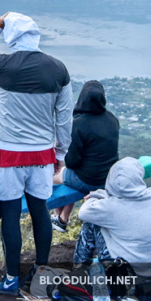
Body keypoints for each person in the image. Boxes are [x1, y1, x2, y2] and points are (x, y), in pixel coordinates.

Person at [0, 12, 73, 295]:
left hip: (8, 157)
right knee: (40, 212)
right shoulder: (58, 70)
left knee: (11, 216)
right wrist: (60, 154)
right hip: (42, 157)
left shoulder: (1, 65)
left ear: (11, 36)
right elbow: (64, 120)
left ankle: (12, 278)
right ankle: (41, 272)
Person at [74, 157, 151, 301]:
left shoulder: (111, 207)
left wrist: (97, 195)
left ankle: (80, 268)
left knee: (91, 223)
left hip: (126, 273)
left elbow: (83, 212)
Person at [51, 80, 120, 232]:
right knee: (68, 175)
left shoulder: (79, 124)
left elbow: (72, 161)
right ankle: (62, 218)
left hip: (88, 180)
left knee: (52, 175)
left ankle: (59, 217)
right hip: (108, 177)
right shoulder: (112, 119)